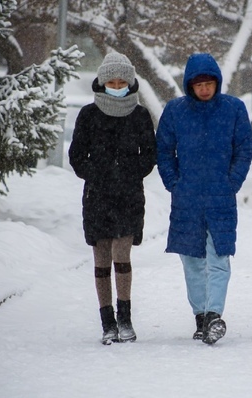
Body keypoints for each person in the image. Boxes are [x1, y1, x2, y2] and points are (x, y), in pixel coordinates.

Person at [156, 53, 252, 345]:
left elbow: (244, 148)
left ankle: (214, 314)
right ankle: (200, 315)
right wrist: (174, 183)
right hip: (187, 199)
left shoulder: (233, 109)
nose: (205, 89)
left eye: (209, 83)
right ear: (189, 85)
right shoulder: (175, 111)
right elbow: (163, 150)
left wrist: (232, 181)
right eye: (198, 84)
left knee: (219, 258)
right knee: (192, 261)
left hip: (221, 197)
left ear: (217, 83)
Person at [69, 52, 157, 345]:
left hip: (129, 196)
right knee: (101, 258)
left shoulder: (140, 114)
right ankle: (107, 321)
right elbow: (77, 156)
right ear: (102, 81)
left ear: (130, 83)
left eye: (122, 81)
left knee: (123, 255)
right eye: (112, 80)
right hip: (97, 196)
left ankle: (125, 317)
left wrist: (129, 173)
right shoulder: (89, 115)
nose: (117, 85)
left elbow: (150, 155)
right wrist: (99, 173)